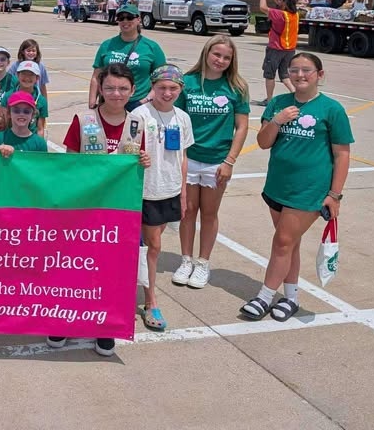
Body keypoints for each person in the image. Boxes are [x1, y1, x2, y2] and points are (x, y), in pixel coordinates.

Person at [239, 53, 353, 322]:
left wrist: (334, 194)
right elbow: (264, 142)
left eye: (307, 70)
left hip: (309, 190)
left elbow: (342, 154)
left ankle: (265, 296)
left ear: (319, 75)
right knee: (290, 244)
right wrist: (277, 120)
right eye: (294, 70)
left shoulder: (331, 109)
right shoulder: (279, 103)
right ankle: (291, 297)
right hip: (278, 186)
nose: (300, 75)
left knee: (282, 242)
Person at [57, 62, 151, 355]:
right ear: (100, 88)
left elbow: (137, 167)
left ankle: (103, 325)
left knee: (110, 271)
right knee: (74, 268)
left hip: (118, 212)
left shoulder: (137, 125)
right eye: (109, 87)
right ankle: (64, 319)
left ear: (133, 90)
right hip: (84, 210)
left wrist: (144, 161)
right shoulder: (84, 120)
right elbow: (69, 164)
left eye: (123, 88)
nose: (116, 93)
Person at [172, 35, 250, 289]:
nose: (221, 60)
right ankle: (186, 260)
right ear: (206, 53)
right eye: (217, 55)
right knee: (187, 211)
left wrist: (229, 161)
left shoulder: (236, 87)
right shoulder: (189, 82)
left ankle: (203, 263)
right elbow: (176, 119)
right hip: (189, 158)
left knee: (209, 213)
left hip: (217, 161)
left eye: (227, 57)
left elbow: (241, 127)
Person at [129, 65, 193, 332]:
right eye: (162, 87)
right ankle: (151, 300)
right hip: (145, 190)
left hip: (169, 190)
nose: (167, 93)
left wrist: (183, 192)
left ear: (180, 90)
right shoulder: (139, 115)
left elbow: (183, 157)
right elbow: (128, 151)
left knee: (151, 247)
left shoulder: (183, 118)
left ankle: (146, 294)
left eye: (173, 88)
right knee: (149, 246)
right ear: (152, 87)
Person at [90, 4, 166, 112]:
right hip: (110, 101)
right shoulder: (107, 45)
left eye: (129, 17)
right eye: (121, 18)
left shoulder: (152, 47)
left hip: (139, 103)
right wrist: (92, 103)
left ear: (138, 19)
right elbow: (96, 77)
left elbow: (162, 79)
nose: (125, 21)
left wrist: (146, 100)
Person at [255, 0, 298, 106]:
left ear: (284, 5)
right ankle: (296, 95)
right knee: (284, 75)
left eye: (281, 1)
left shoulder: (280, 15)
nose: (279, 1)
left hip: (276, 48)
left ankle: (269, 100)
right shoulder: (294, 14)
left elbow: (262, 7)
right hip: (290, 50)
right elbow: (281, 1)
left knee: (270, 74)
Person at [0, 91, 48, 155]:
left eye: (26, 111)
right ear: (9, 113)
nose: (21, 114)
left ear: (32, 115)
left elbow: (43, 164)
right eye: (16, 111)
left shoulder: (39, 143)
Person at [2, 61, 48, 137]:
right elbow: (3, 124)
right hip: (10, 139)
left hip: (31, 140)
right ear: (17, 75)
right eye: (23, 74)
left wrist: (40, 146)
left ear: (37, 78)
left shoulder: (41, 100)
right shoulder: (8, 96)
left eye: (31, 75)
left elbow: (40, 129)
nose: (27, 78)